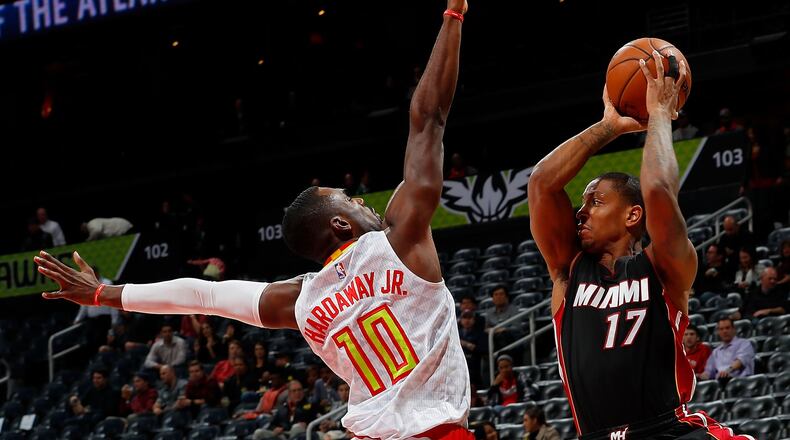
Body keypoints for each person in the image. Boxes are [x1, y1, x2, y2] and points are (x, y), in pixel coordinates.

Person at [37, 3, 470, 439]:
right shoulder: (398, 242)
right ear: (341, 225)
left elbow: (202, 296)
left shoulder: (301, 301)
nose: (364, 203)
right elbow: (428, 119)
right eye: (352, 200)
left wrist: (103, 293)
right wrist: (453, 14)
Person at [528, 50, 750, 439]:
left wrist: (659, 114)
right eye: (581, 204)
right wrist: (608, 126)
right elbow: (541, 183)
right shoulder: (568, 270)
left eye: (595, 202)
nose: (580, 213)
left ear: (633, 216)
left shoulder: (662, 265)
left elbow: (659, 190)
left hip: (667, 429)